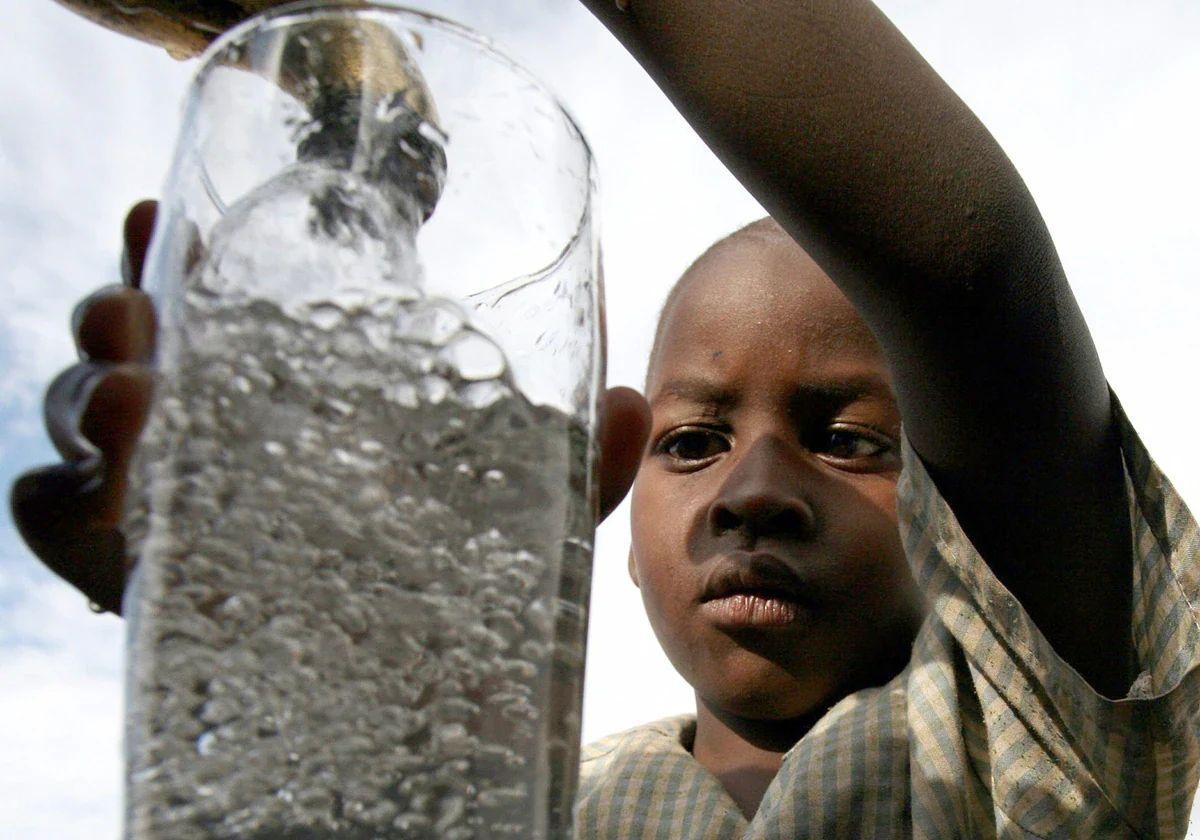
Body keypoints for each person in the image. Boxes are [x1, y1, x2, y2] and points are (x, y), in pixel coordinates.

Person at [12, 0, 1200, 836]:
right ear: (610, 530)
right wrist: (297, 674)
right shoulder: (531, 799)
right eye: (692, 441)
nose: (754, 491)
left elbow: (973, 283)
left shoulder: (1018, 752)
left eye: (849, 439)